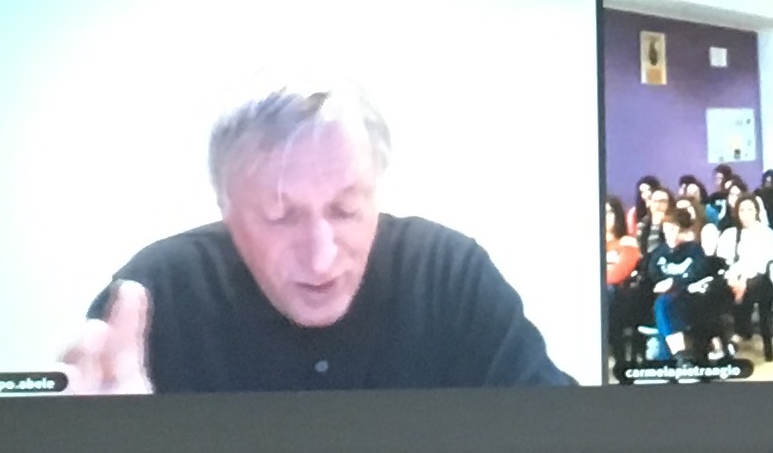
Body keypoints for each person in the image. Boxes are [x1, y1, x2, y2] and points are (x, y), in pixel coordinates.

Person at [58, 86, 572, 393]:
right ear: (225, 209)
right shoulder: (153, 296)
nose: (321, 258)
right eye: (279, 217)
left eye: (346, 211)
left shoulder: (450, 276)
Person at [715, 195, 773, 358]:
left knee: (752, 288)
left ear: (757, 211)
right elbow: (725, 262)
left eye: (750, 209)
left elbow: (764, 262)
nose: (746, 214)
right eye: (742, 210)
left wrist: (744, 279)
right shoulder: (730, 234)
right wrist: (733, 278)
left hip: (760, 276)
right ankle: (719, 342)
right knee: (715, 290)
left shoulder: (766, 233)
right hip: (735, 275)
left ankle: (741, 333)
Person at [648, 206, 711, 365]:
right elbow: (653, 278)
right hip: (665, 298)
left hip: (690, 298)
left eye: (674, 227)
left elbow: (699, 273)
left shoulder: (694, 250)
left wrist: (674, 283)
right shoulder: (658, 253)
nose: (670, 232)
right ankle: (681, 356)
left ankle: (669, 360)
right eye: (667, 227)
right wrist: (663, 285)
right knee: (663, 304)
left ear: (682, 229)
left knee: (663, 306)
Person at [603, 196, 643, 369]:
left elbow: (619, 273)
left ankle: (618, 359)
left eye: (609, 212)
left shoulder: (627, 242)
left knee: (609, 292)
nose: (605, 216)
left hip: (621, 295)